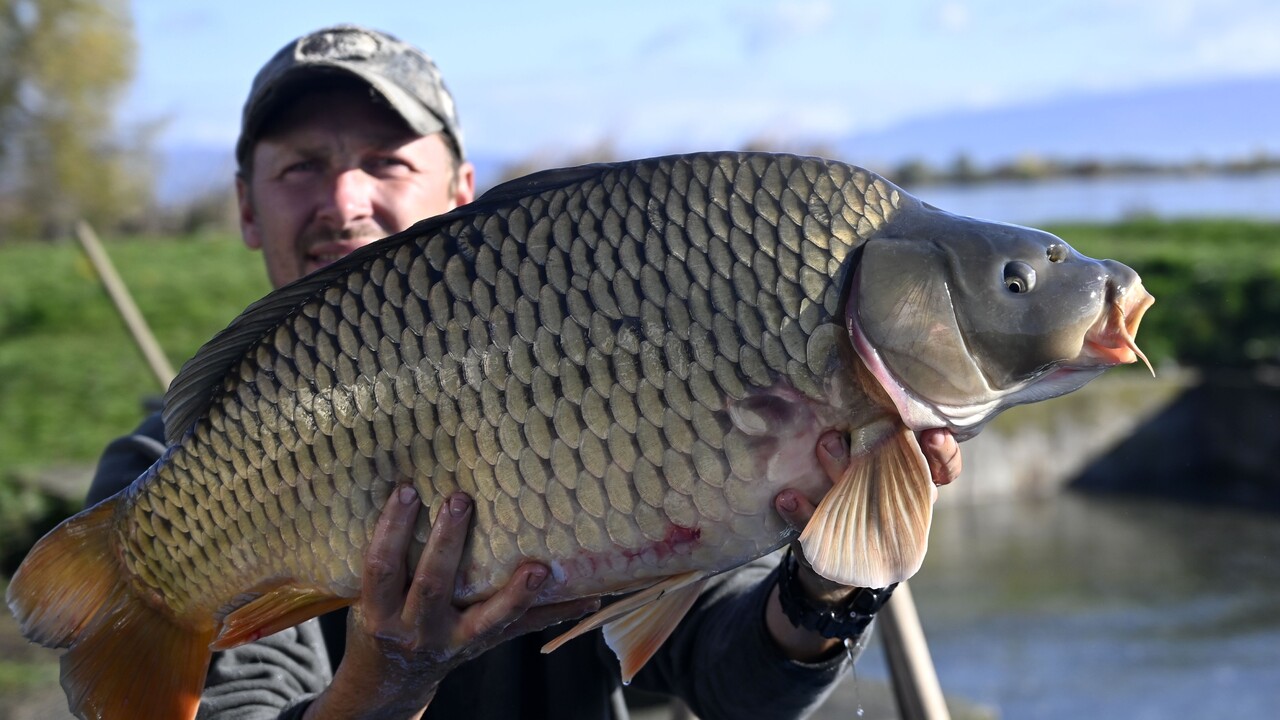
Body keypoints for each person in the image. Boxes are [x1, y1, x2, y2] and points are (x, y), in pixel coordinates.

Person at [87, 24, 963, 720]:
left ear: (462, 190)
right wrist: (387, 683)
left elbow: (738, 685)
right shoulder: (173, 477)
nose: (345, 202)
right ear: (246, 205)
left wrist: (828, 580)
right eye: (300, 168)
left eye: (386, 161)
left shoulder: (595, 383)